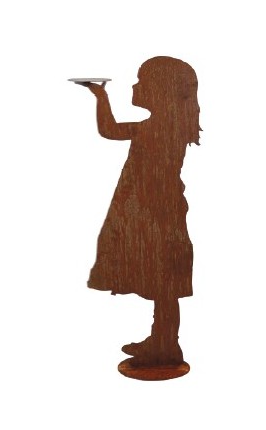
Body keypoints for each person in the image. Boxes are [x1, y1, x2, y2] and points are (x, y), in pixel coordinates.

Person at [84, 56, 200, 366]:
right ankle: (162, 340)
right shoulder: (165, 126)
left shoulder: (159, 128)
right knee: (163, 286)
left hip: (156, 213)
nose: (135, 87)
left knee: (163, 284)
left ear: (161, 90)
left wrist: (100, 96)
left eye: (141, 82)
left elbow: (109, 130)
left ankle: (166, 346)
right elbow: (112, 132)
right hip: (158, 209)